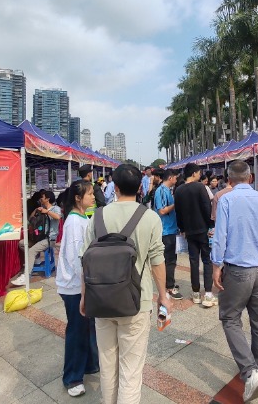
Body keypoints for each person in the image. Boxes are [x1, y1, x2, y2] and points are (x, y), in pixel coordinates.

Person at [79, 164, 171, 404]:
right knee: (130, 371)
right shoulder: (149, 217)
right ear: (140, 187)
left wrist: (84, 296)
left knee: (107, 366)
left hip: (101, 302)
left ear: (115, 187)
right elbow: (157, 260)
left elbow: (85, 260)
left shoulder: (98, 216)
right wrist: (163, 296)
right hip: (136, 303)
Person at [211, 160, 258, 403]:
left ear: (229, 180)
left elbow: (220, 235)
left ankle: (251, 373)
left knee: (230, 318)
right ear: (250, 178)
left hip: (238, 270)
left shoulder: (227, 200)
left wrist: (216, 265)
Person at [55, 180, 99, 397]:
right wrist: (85, 285)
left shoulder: (82, 217)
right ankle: (72, 377)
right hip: (75, 286)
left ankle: (90, 364)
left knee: (87, 327)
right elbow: (76, 258)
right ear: (78, 198)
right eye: (90, 194)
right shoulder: (74, 221)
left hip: (82, 283)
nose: (93, 197)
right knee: (77, 330)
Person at [174, 163, 217, 307]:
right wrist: (210, 225)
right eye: (199, 173)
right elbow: (207, 208)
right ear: (193, 173)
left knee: (193, 261)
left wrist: (182, 228)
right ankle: (208, 293)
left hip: (189, 231)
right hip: (203, 229)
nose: (200, 175)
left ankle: (196, 292)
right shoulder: (200, 187)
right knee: (207, 260)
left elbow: (178, 212)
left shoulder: (179, 190)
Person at [12, 190, 62, 287]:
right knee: (22, 243)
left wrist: (47, 212)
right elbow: (30, 219)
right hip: (38, 237)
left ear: (47, 199)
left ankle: (25, 276)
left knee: (31, 251)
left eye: (42, 197)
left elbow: (58, 217)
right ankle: (36, 259)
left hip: (49, 239)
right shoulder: (41, 208)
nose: (40, 199)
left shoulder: (55, 208)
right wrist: (36, 210)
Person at [154, 169, 183, 300]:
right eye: (175, 177)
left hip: (171, 229)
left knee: (171, 259)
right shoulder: (161, 191)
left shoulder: (167, 191)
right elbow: (162, 211)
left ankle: (169, 283)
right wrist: (176, 204)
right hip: (165, 230)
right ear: (170, 178)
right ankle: (169, 287)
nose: (176, 180)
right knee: (169, 260)